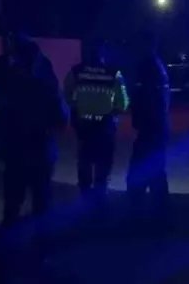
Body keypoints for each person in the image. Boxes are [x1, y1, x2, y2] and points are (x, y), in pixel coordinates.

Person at [0, 32, 67, 224]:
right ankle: (39, 239)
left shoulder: (12, 77)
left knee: (15, 203)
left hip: (19, 149)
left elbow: (0, 102)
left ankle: (13, 237)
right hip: (38, 149)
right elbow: (60, 117)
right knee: (39, 202)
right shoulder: (43, 77)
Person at [65, 40, 128, 205]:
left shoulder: (76, 71)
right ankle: (100, 199)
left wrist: (78, 107)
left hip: (83, 126)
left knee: (84, 162)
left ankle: (84, 197)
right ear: (104, 54)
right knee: (103, 165)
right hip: (105, 127)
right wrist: (112, 111)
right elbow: (123, 103)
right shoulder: (114, 73)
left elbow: (66, 94)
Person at [126, 34, 171, 224]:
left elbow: (145, 99)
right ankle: (160, 216)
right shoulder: (157, 66)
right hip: (157, 128)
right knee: (156, 173)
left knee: (139, 174)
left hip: (150, 129)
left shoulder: (148, 67)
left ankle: (138, 217)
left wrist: (138, 116)